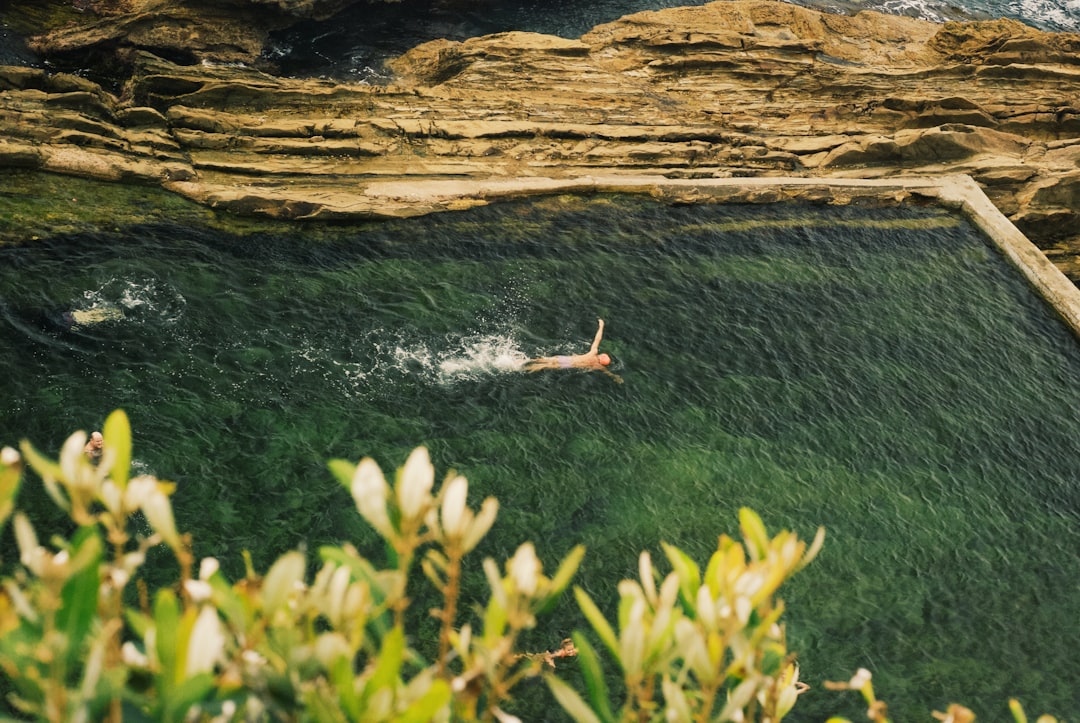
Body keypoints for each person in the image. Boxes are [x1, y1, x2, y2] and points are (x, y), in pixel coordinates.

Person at [524, 318, 623, 383]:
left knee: (544, 359)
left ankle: (524, 361)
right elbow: (608, 373)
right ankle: (523, 368)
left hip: (566, 359)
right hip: (567, 365)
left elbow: (598, 339)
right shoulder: (597, 366)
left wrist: (601, 326)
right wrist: (615, 377)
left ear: (601, 356)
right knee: (545, 366)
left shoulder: (593, 353)